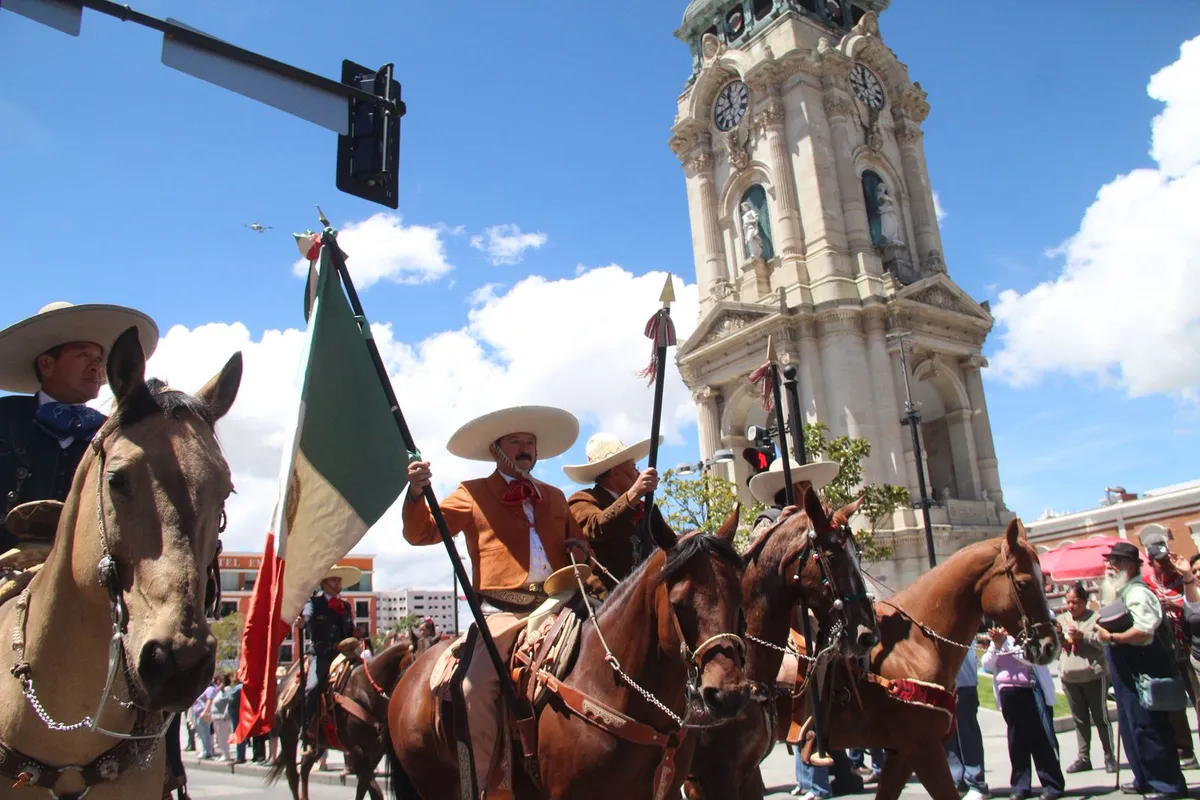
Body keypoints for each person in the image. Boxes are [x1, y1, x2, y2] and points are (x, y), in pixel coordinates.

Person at [404, 405, 585, 797]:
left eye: (530, 442)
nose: (525, 449)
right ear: (496, 450)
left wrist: (579, 552)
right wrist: (417, 493)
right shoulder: (471, 493)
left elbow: (580, 548)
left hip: (561, 601)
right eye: (516, 442)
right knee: (475, 687)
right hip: (502, 612)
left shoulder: (556, 496)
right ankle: (489, 787)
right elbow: (422, 533)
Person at [0, 300, 158, 551]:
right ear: (47, 364)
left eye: (98, 358)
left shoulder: (115, 434)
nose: (96, 366)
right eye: (83, 355)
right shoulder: (5, 418)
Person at [1096, 541, 1188, 799]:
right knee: (1133, 727)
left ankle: (1167, 784)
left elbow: (1144, 631)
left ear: (1128, 566)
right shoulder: (1122, 592)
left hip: (1143, 671)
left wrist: (1112, 637)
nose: (1108, 567)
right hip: (1128, 674)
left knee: (1150, 728)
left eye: (1113, 562)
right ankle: (1145, 778)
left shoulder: (1137, 593)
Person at [563, 432, 675, 587]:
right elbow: (596, 527)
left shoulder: (643, 509)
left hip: (644, 595)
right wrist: (633, 494)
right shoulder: (582, 500)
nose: (637, 474)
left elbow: (671, 545)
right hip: (605, 601)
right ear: (615, 471)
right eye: (633, 467)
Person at [981, 627, 1064, 800]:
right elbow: (987, 664)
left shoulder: (1029, 636)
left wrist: (1004, 643)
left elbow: (1029, 659)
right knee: (1016, 742)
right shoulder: (1000, 640)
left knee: (1041, 740)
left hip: (1031, 691)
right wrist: (996, 646)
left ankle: (1052, 785)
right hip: (1008, 694)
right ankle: (1020, 786)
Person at [1141, 524, 1199, 767]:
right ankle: (1185, 749)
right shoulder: (1147, 584)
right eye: (1159, 561)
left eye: (1166, 559)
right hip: (1164, 649)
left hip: (1187, 646)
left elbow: (1192, 604)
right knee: (1174, 703)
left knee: (1198, 698)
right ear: (1150, 560)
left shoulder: (1184, 578)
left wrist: (1175, 604)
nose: (1164, 565)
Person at [1056, 581, 1116, 774]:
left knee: (1101, 717)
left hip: (1093, 676)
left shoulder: (1096, 619)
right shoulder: (1062, 619)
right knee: (1079, 719)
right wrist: (1059, 636)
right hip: (1069, 677)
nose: (1071, 606)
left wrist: (1084, 636)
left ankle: (1109, 755)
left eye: (1075, 602)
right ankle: (1084, 757)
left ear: (1085, 602)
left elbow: (1104, 643)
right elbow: (1056, 647)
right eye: (1068, 602)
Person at [299, 563, 359, 756]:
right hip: (322, 654)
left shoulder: (346, 606)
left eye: (339, 580)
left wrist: (356, 634)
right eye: (334, 579)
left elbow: (349, 631)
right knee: (313, 687)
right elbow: (307, 621)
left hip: (345, 654)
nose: (338, 583)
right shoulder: (313, 603)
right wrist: (301, 623)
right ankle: (306, 734)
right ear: (324, 582)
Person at [747, 457, 840, 536]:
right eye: (804, 486)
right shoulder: (770, 518)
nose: (812, 494)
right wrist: (779, 523)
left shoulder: (812, 520)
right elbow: (752, 546)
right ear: (791, 493)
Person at [946, 641, 990, 800]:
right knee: (949, 739)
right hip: (946, 687)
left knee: (967, 737)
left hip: (963, 685)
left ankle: (976, 784)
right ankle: (958, 781)